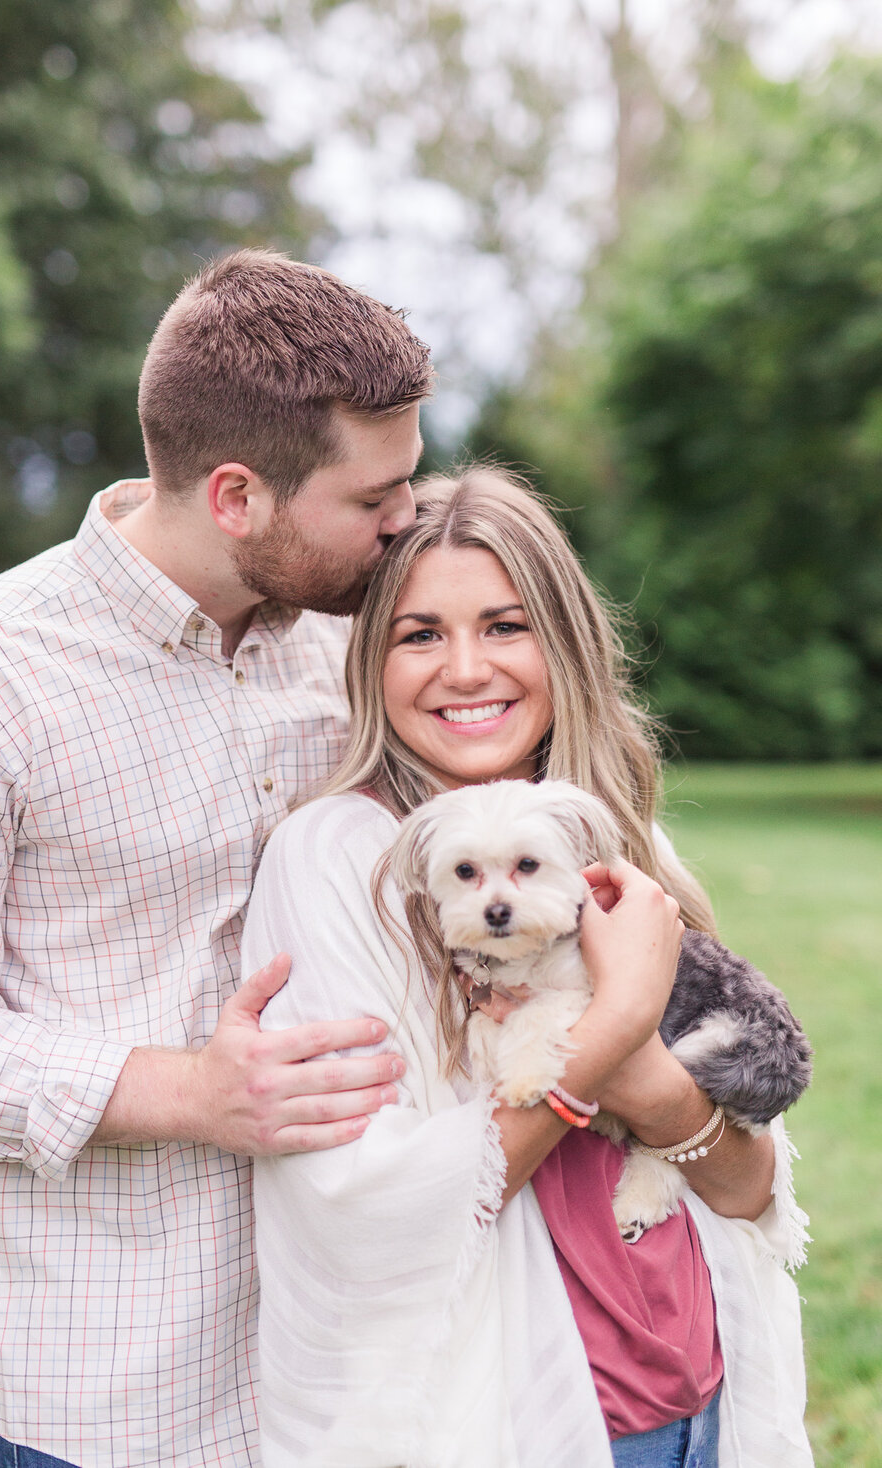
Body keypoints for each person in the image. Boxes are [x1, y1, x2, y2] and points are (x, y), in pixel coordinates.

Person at [0, 249, 435, 1468]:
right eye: (373, 498)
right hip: (112, 1387)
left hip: (352, 1352)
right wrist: (196, 1092)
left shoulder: (345, 647)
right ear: (237, 495)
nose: (406, 520)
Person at [241, 467, 812, 1467]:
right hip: (528, 1413)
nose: (465, 669)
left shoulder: (617, 849)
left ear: (563, 645)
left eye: (505, 626)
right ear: (371, 659)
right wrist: (614, 1027)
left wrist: (652, 1082)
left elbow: (751, 1185)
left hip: (699, 1383)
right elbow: (361, 1213)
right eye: (421, 634)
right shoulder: (343, 859)